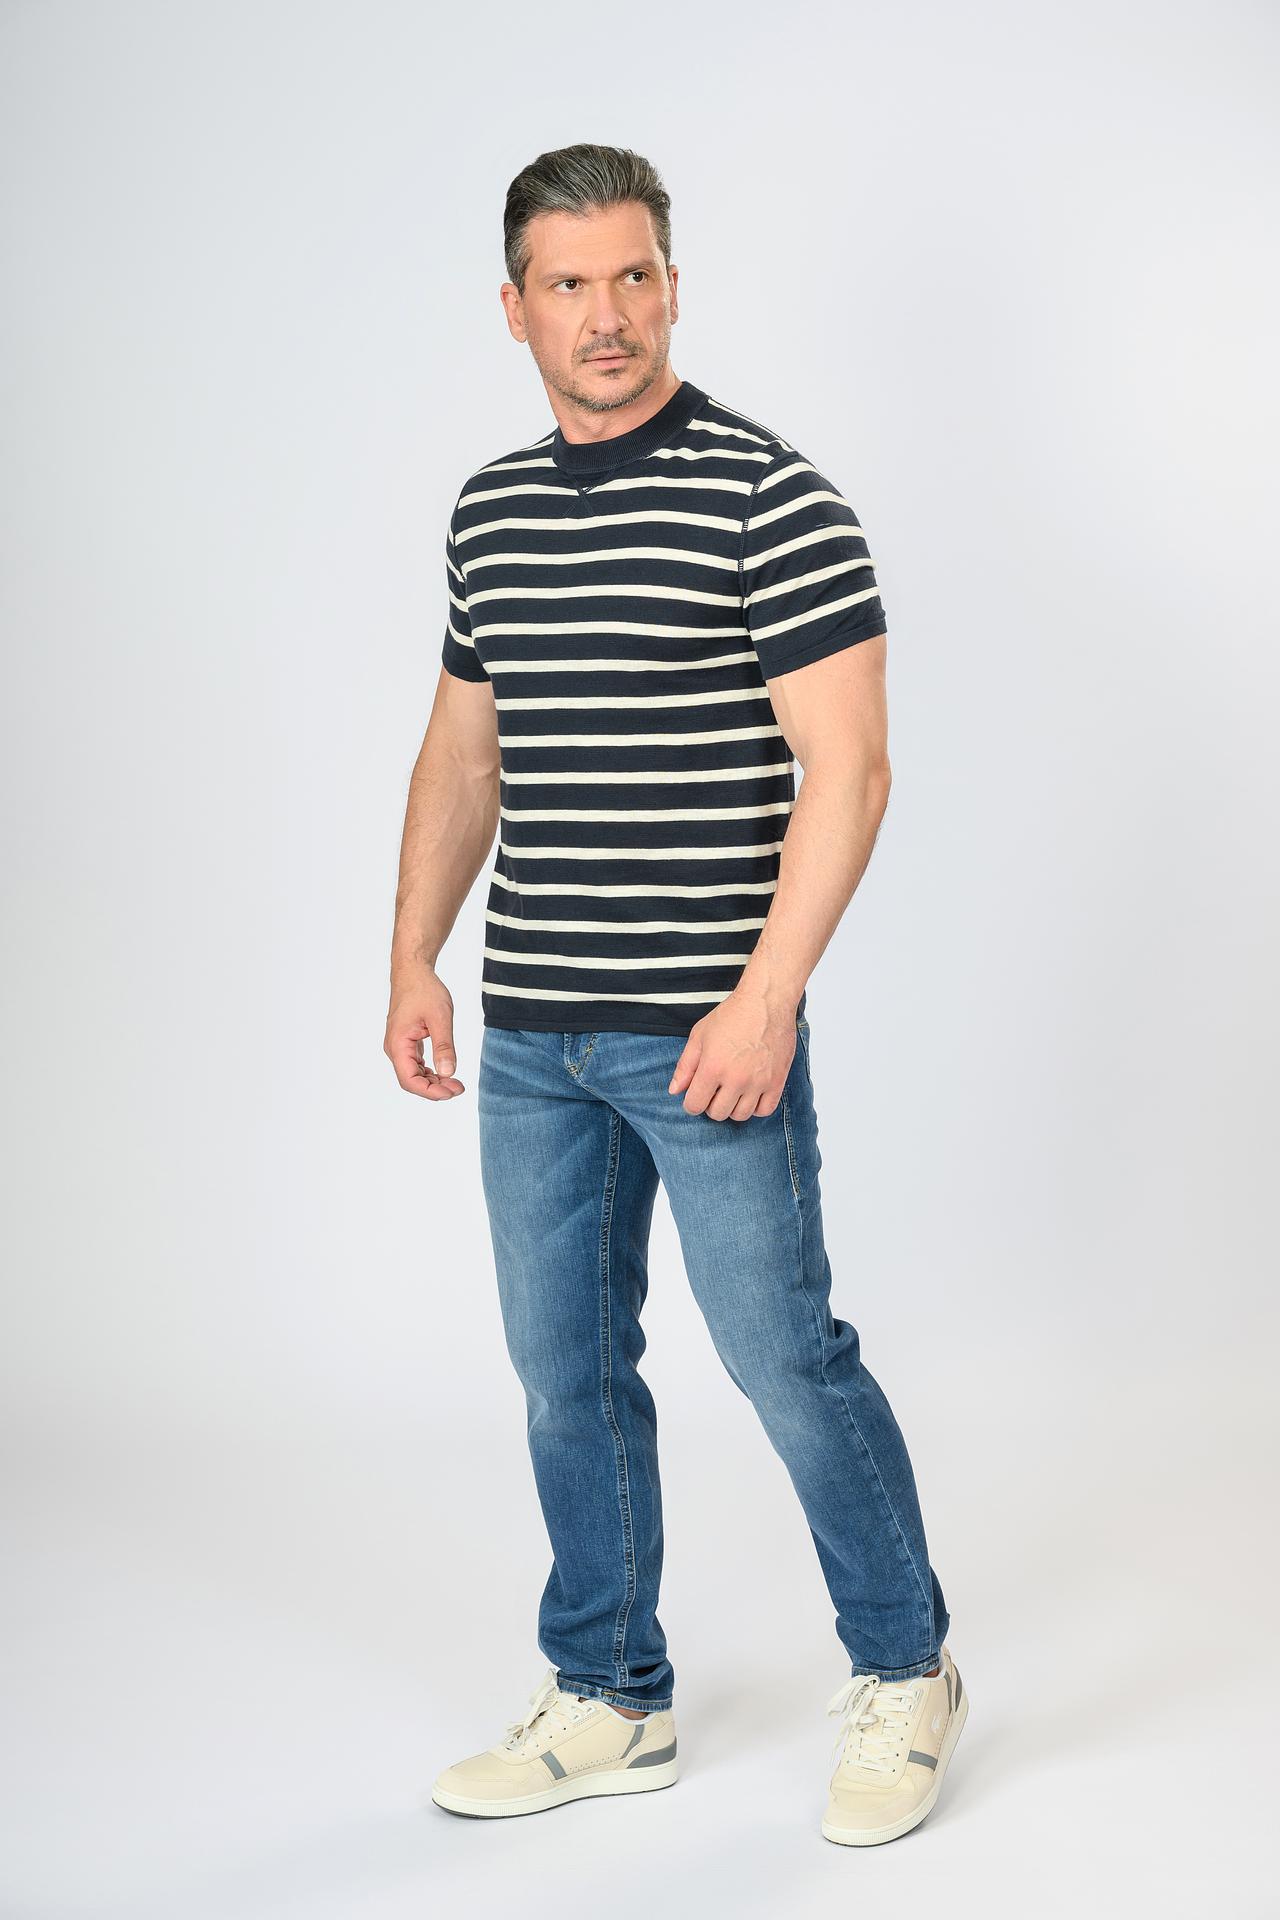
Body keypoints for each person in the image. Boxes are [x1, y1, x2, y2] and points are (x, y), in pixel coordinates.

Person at [385, 142, 967, 1847]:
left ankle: (907, 1664)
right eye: (568, 284)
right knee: (564, 1372)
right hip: (533, 1040)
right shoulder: (491, 511)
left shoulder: (770, 497)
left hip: (708, 1035)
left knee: (786, 1358)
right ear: (514, 309)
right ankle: (609, 1692)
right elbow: (464, 752)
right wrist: (412, 952)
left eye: (633, 275)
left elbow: (849, 769)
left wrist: (768, 996)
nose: (607, 314)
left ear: (674, 287)